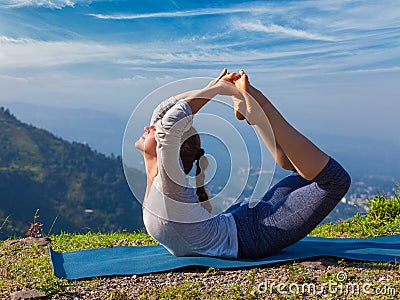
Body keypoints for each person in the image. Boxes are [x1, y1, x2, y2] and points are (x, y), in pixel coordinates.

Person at [134, 69, 351, 259]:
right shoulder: (168, 182)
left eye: (155, 129)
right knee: (323, 178)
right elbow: (166, 119)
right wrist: (214, 89)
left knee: (329, 179)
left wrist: (213, 88)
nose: (149, 127)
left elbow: (167, 118)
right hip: (250, 230)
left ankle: (260, 110)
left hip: (250, 232)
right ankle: (257, 113)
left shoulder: (169, 182)